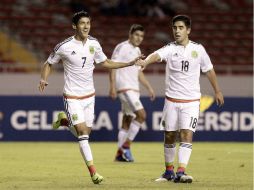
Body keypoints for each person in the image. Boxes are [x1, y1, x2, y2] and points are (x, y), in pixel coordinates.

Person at [38, 11, 141, 185]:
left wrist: (129, 63)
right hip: (72, 96)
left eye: (88, 23)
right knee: (83, 135)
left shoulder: (94, 43)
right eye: (82, 23)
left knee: (86, 131)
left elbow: (106, 62)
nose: (86, 26)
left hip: (89, 96)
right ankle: (94, 172)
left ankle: (64, 121)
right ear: (74, 26)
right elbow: (48, 63)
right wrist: (43, 78)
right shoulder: (64, 46)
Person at [136, 15, 224, 183]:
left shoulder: (198, 49)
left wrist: (217, 91)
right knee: (169, 136)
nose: (177, 31)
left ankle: (181, 172)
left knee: (186, 134)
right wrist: (146, 62)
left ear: (188, 30)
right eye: (175, 27)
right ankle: (169, 172)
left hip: (191, 102)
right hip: (171, 101)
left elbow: (209, 70)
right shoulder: (170, 48)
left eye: (181, 27)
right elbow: (156, 55)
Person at [109, 24, 155, 162]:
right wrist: (112, 86)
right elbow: (112, 65)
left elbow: (138, 73)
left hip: (134, 88)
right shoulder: (122, 47)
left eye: (141, 36)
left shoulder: (138, 50)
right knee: (142, 115)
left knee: (128, 119)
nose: (139, 38)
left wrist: (149, 87)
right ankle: (126, 147)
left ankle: (119, 154)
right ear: (130, 34)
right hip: (124, 87)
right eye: (136, 35)